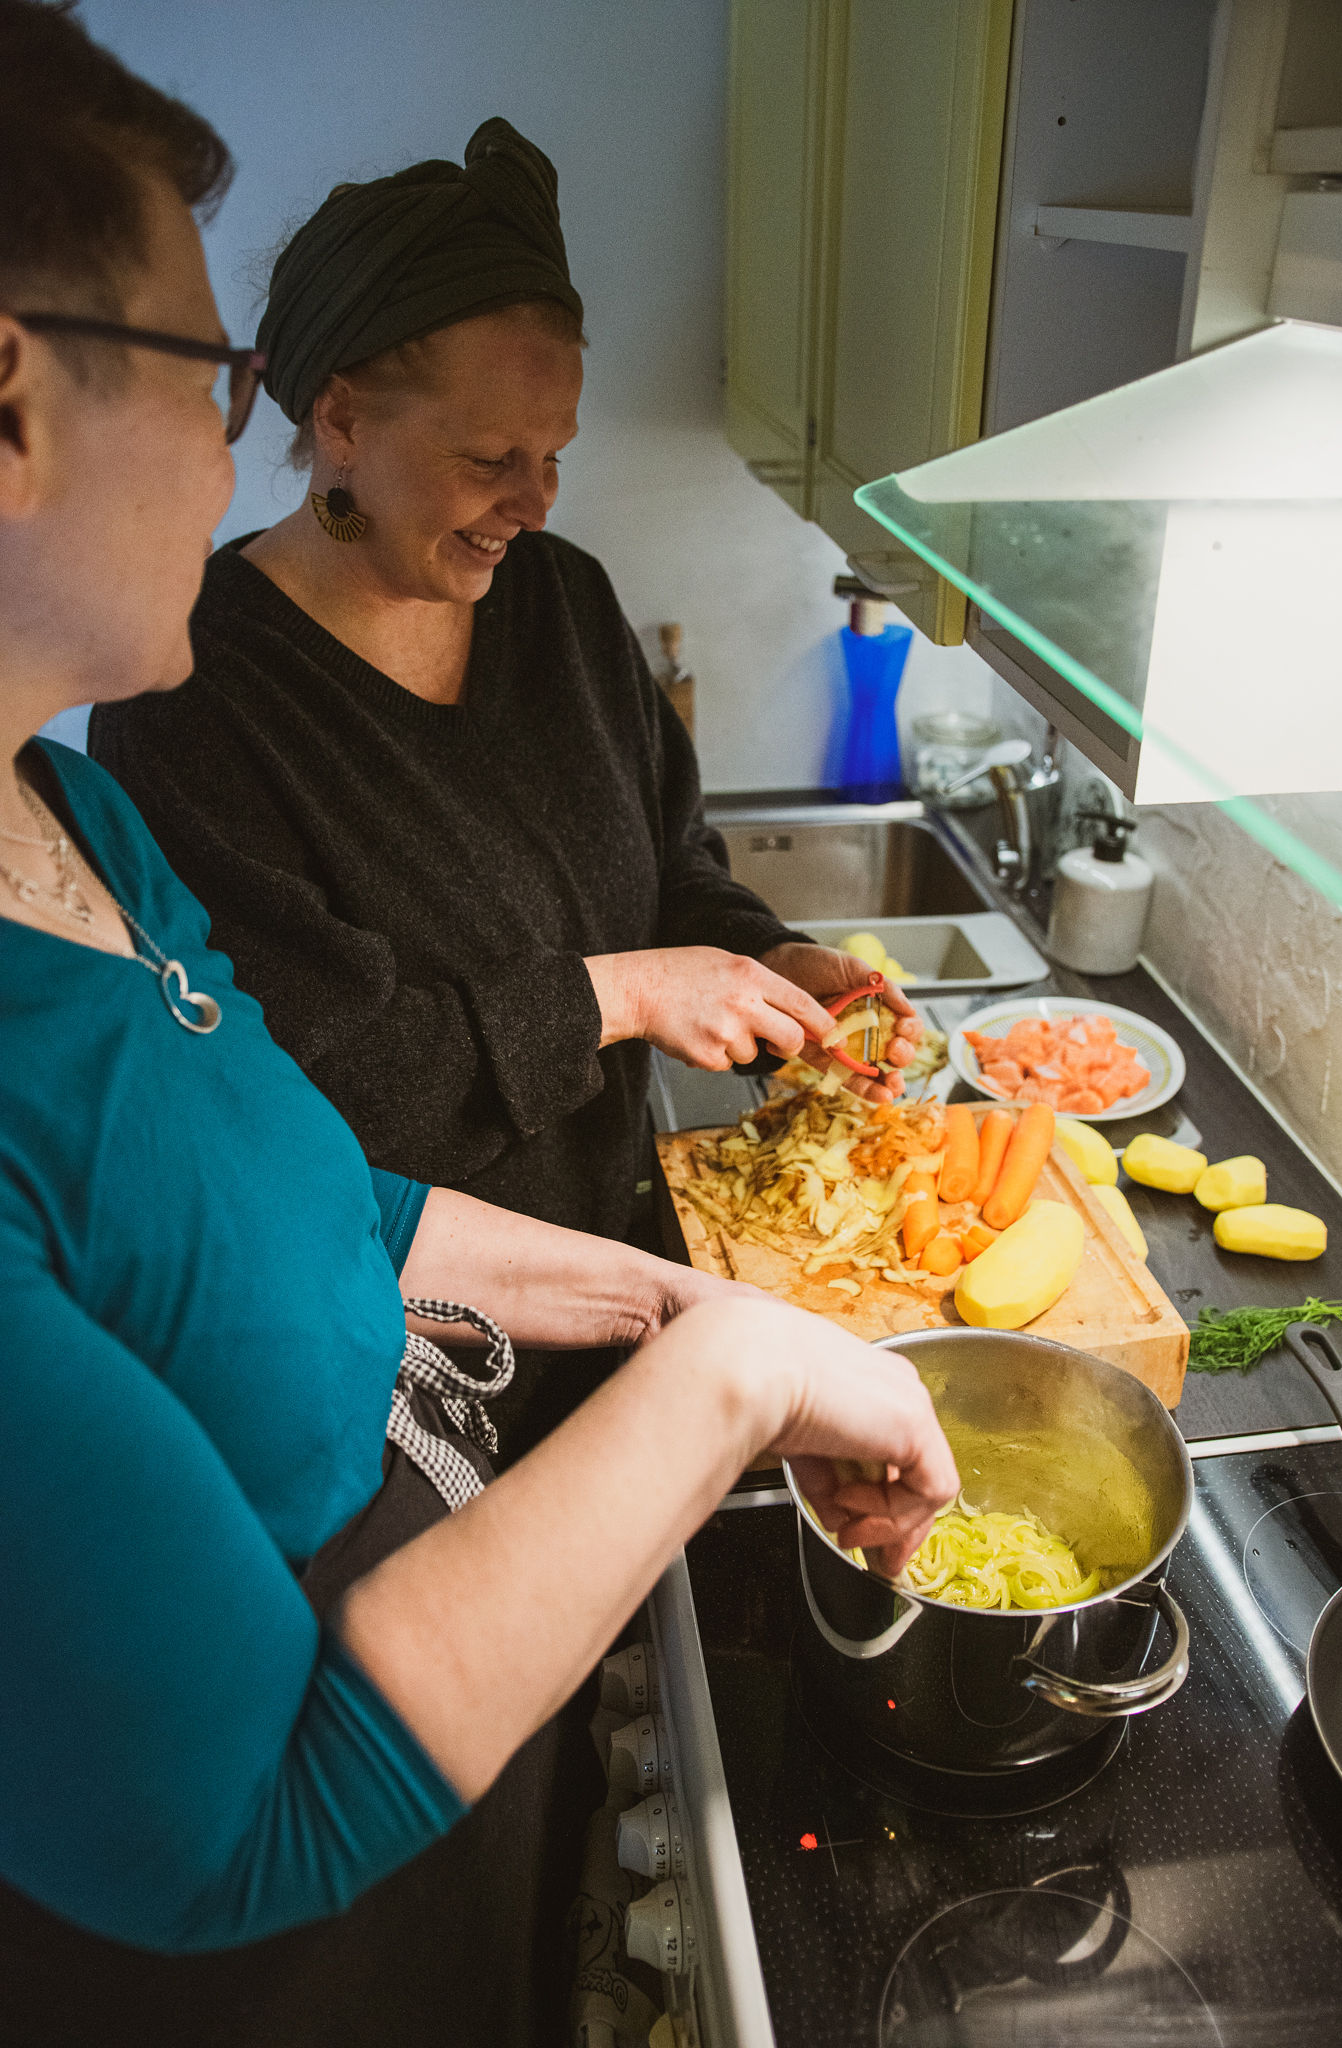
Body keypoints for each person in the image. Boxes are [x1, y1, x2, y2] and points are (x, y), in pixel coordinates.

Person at [0, 7, 957, 2042]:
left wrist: (682, 1308)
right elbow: (236, 1821)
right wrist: (718, 1382)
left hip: (465, 1565)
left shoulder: (65, 817)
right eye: (210, 375)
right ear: (9, 399)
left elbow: (303, 1183)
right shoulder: (189, 717)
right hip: (258, 1938)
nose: (229, 433)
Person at [86, 115, 925, 1458]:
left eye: (556, 452)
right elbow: (312, 1092)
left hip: (623, 1282)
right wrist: (632, 992)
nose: (534, 500)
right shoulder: (189, 689)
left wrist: (772, 960)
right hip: (395, 1366)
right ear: (343, 420)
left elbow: (666, 871)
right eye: (490, 459)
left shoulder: (563, 601)